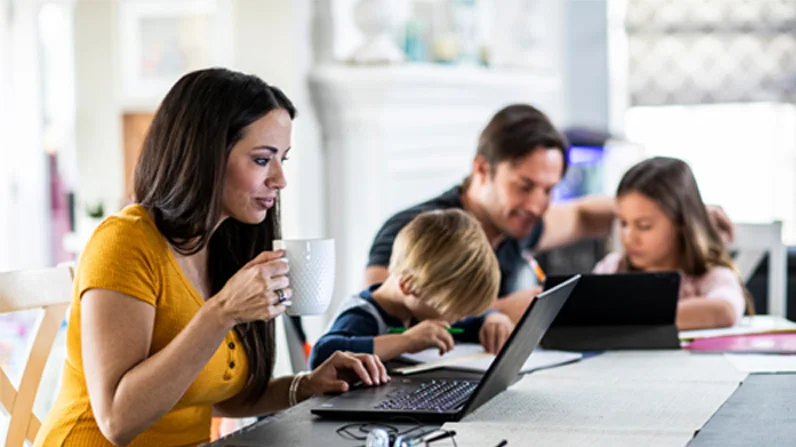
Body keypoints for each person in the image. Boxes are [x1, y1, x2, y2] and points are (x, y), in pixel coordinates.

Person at [34, 68, 388, 447]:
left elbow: (205, 392)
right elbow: (117, 420)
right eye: (262, 160)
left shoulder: (223, 246)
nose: (280, 179)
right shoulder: (124, 243)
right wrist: (223, 312)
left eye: (282, 159)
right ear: (204, 155)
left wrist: (306, 384)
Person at [364, 104, 735, 338]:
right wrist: (501, 308)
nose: (538, 204)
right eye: (525, 185)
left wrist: (684, 212)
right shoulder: (415, 233)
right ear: (481, 169)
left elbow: (585, 213)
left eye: (548, 189)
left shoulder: (517, 224)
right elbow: (391, 319)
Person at [309, 209, 508, 368]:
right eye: (455, 312)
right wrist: (407, 341)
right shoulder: (362, 315)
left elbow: (467, 326)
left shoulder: (419, 309)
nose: (461, 320)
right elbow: (323, 353)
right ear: (408, 285)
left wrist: (491, 318)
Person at [593, 157, 752, 330]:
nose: (628, 238)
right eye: (623, 223)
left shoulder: (710, 277)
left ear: (681, 224)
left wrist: (627, 314)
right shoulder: (612, 268)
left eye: (644, 226)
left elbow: (725, 311)